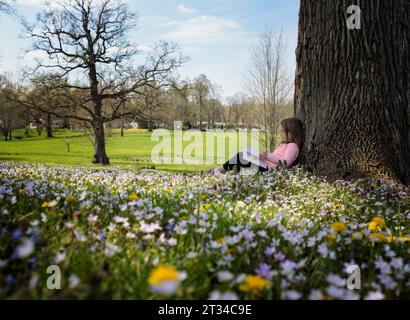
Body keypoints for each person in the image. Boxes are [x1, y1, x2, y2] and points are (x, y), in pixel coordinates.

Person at [207, 118, 304, 174]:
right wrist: (261, 156)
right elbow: (275, 157)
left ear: (292, 133)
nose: (280, 133)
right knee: (242, 157)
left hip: (270, 171)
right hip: (266, 166)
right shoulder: (283, 145)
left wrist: (267, 156)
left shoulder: (293, 146)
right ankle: (222, 172)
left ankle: (216, 171)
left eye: (283, 131)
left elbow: (285, 163)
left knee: (240, 157)